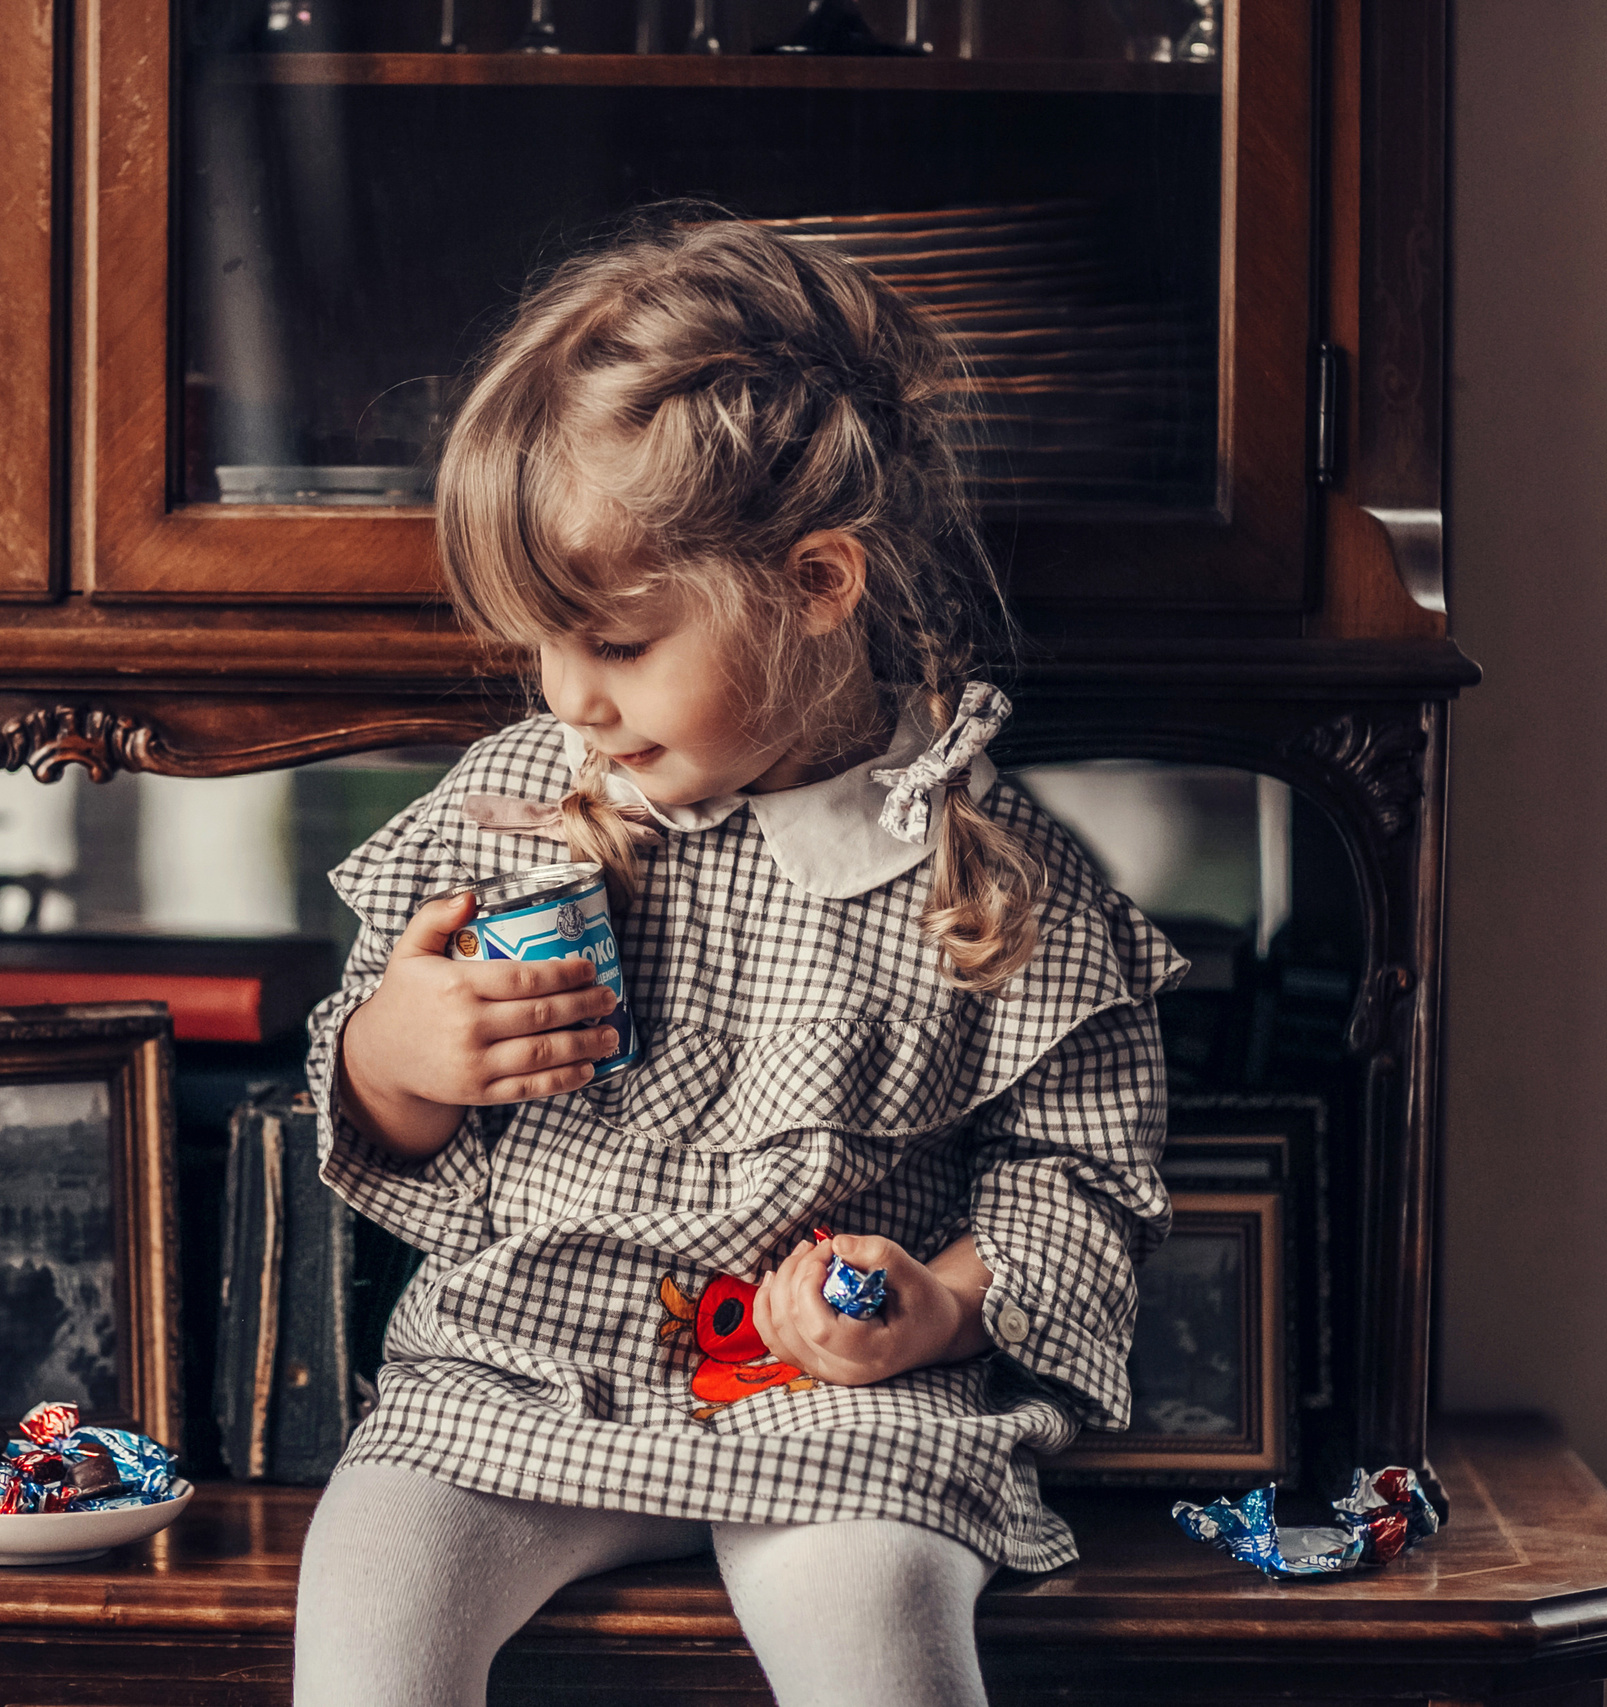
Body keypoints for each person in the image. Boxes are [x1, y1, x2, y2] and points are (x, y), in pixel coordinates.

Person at [292, 217, 1182, 1707]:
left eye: (619, 646)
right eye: (538, 648)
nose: (570, 700)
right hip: (511, 1375)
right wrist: (397, 1054)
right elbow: (378, 1112)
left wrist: (940, 1299)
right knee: (371, 1619)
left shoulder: (980, 870)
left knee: (876, 1624)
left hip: (839, 1406)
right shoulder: (510, 810)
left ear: (819, 581)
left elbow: (1078, 1177)